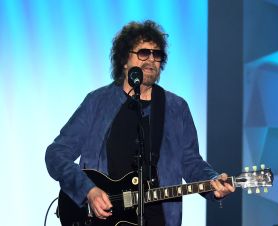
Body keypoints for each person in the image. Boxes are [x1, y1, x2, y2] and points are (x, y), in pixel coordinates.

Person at [45, 20, 235, 226]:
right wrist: (88, 190)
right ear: (124, 60)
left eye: (157, 54)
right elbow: (56, 153)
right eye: (143, 53)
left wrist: (213, 181)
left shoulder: (175, 107)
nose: (151, 59)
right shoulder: (97, 102)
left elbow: (190, 162)